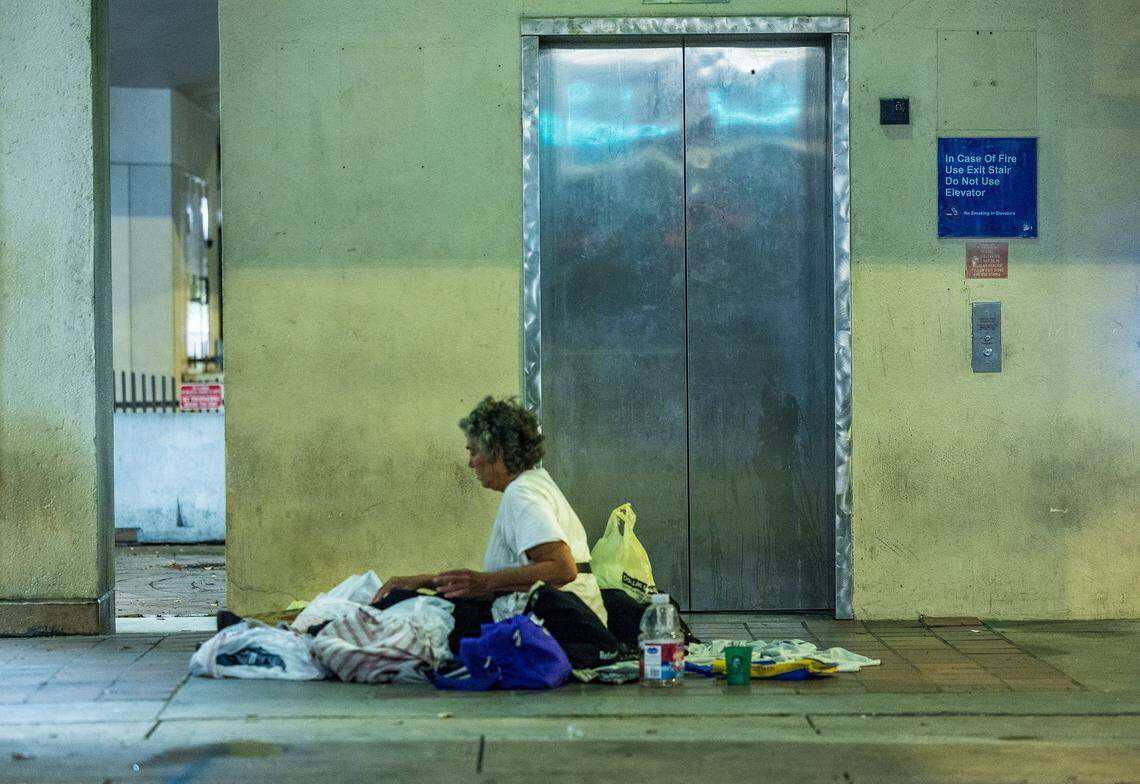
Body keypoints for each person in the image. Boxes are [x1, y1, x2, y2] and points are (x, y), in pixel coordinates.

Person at [374, 396, 608, 627]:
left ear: (496, 452)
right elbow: (511, 585)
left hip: (557, 628)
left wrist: (485, 582)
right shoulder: (533, 484)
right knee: (414, 606)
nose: (470, 463)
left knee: (401, 612)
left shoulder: (522, 493)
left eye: (473, 451)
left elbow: (562, 568)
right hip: (565, 619)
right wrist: (427, 581)